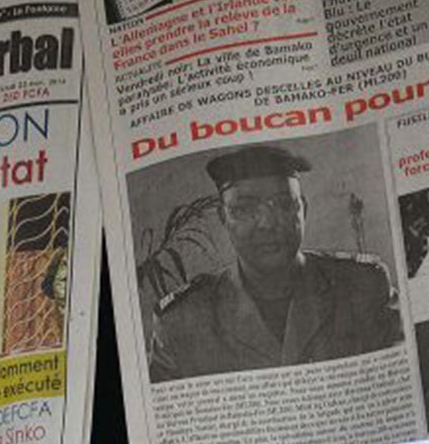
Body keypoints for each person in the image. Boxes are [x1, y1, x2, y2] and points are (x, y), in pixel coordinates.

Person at [147, 144, 402, 381]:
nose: (267, 223)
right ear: (223, 218)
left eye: (282, 205)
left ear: (303, 210)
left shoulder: (363, 286)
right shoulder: (183, 321)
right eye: (245, 209)